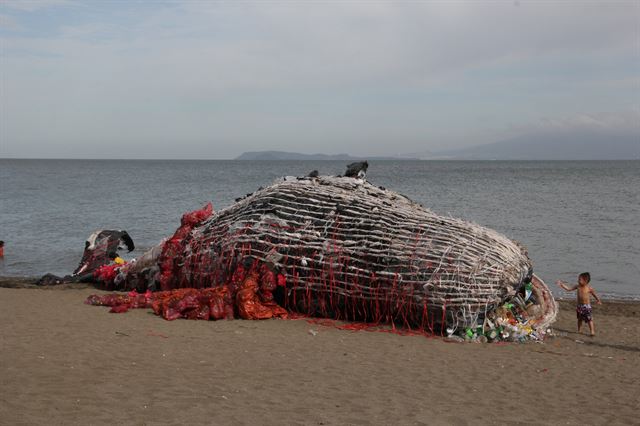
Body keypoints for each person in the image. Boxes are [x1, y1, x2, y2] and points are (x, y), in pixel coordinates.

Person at [556, 272, 602, 336]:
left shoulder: (589, 288)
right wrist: (562, 285)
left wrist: (598, 300)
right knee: (579, 319)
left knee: (589, 319)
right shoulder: (577, 286)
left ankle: (592, 331)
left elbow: (594, 295)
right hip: (579, 306)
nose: (578, 281)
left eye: (580, 279)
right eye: (578, 279)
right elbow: (569, 289)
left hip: (587, 306)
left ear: (585, 281)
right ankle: (579, 330)